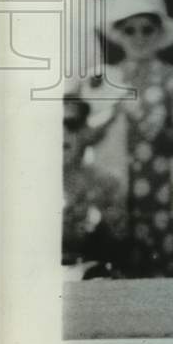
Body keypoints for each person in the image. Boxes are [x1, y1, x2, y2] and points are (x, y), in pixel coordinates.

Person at [85, 0, 173, 277]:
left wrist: (155, 130)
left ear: (160, 33)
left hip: (156, 192)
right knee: (114, 270)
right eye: (129, 30)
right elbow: (87, 140)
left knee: (158, 273)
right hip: (113, 192)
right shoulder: (105, 78)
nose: (139, 37)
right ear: (118, 34)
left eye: (147, 29)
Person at [62, 89, 127, 279]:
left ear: (86, 132)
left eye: (71, 124)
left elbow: (118, 244)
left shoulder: (107, 185)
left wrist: (97, 220)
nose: (62, 132)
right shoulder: (24, 186)